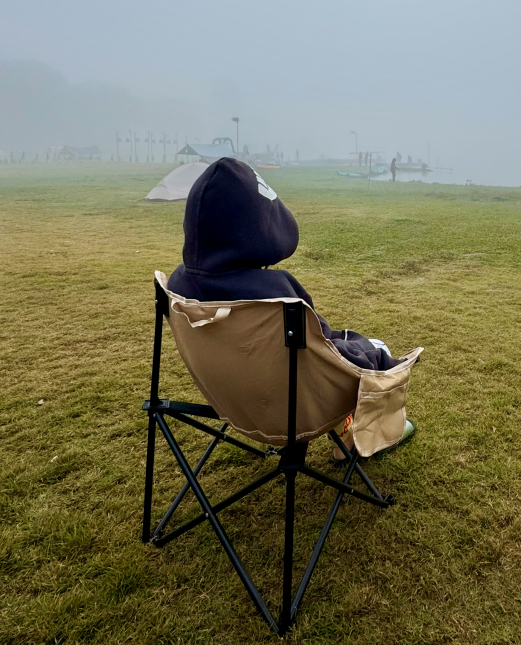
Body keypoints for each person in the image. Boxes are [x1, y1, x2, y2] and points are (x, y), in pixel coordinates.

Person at [168, 158, 413, 459]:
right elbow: (326, 351)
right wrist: (375, 356)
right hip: (294, 411)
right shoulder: (274, 294)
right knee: (374, 350)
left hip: (233, 401)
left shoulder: (177, 286)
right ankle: (357, 438)